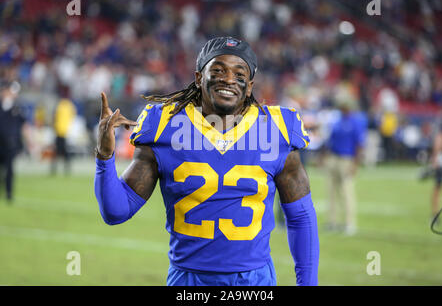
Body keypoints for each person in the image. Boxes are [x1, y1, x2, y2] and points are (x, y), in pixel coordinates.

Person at [94, 37, 319, 286]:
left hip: (254, 282)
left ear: (250, 85)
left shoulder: (276, 128)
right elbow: (116, 211)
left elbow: (300, 218)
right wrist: (105, 157)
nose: (228, 79)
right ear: (199, 77)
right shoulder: (165, 124)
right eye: (218, 70)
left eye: (239, 72)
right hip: (189, 282)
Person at [324, 93, 367, 236]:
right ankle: (332, 221)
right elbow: (330, 141)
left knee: (347, 192)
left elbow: (359, 145)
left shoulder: (355, 122)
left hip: (347, 159)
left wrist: (355, 164)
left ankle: (350, 223)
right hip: (334, 159)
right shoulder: (337, 121)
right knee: (331, 192)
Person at [0, 80, 25, 202]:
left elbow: (23, 125)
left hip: (10, 143)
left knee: (9, 169)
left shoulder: (16, 108)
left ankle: (9, 193)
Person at [429, 106, 442, 220]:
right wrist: (436, 157)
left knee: (438, 186)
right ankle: (435, 214)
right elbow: (439, 139)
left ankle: (435, 214)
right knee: (438, 186)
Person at [51, 89, 76, 175]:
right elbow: (73, 117)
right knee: (63, 152)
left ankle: (55, 169)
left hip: (59, 131)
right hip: (65, 132)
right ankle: (66, 168)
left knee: (58, 151)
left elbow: (54, 117)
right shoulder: (69, 105)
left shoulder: (60, 105)